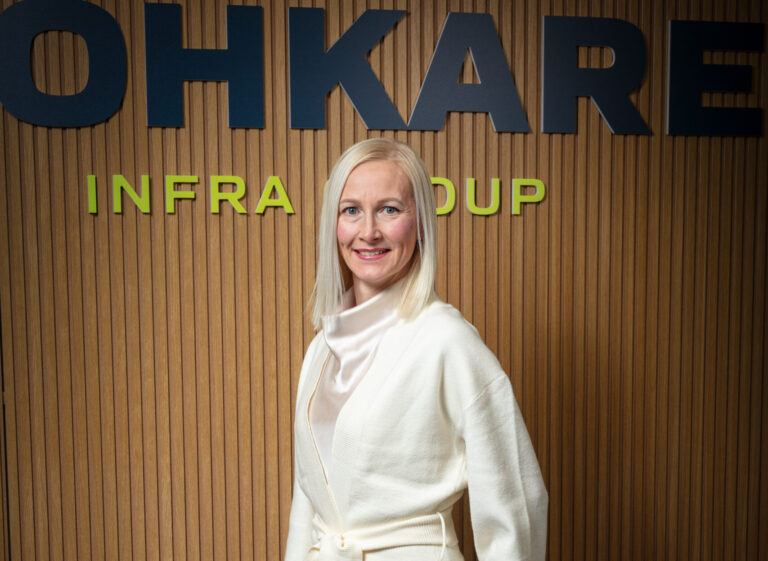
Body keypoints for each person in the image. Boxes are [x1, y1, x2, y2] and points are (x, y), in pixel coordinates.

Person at [284, 138, 548, 561]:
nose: (368, 231)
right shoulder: (320, 350)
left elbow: (515, 505)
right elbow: (308, 504)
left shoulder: (447, 340)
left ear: (421, 221)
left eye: (389, 209)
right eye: (351, 210)